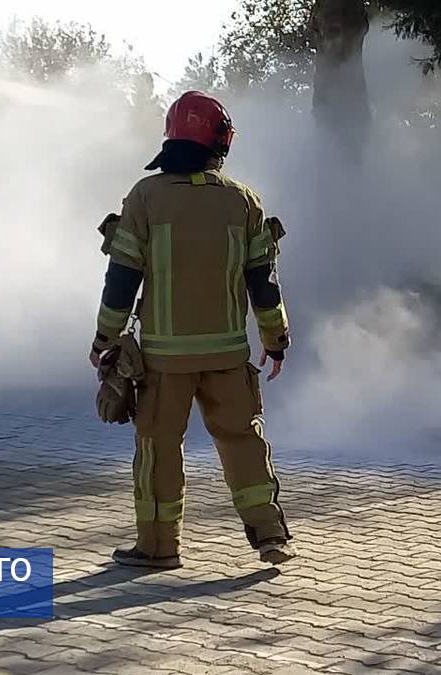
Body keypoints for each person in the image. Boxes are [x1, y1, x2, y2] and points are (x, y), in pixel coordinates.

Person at [92, 91, 293, 569]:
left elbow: (122, 278)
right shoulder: (243, 201)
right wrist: (276, 339)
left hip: (164, 360)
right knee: (243, 441)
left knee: (158, 449)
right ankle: (269, 535)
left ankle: (158, 547)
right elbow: (262, 281)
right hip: (227, 355)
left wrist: (105, 340)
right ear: (219, 143)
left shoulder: (145, 197)